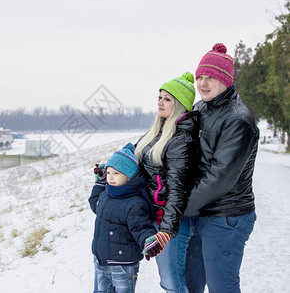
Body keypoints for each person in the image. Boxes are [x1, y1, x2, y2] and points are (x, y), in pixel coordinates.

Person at [183, 43, 259, 292]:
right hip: (198, 212)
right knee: (189, 284)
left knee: (222, 287)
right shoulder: (200, 108)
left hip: (226, 216)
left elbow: (219, 177)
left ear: (225, 80)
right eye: (200, 77)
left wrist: (180, 208)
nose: (203, 84)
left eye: (211, 77)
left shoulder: (238, 120)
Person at [134, 72, 200, 292]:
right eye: (160, 97)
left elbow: (178, 190)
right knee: (169, 280)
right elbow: (135, 154)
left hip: (171, 223)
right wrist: (112, 168)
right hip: (156, 217)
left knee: (172, 281)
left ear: (180, 105)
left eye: (167, 99)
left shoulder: (181, 140)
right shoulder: (158, 131)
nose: (160, 102)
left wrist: (165, 232)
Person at [89, 143, 167, 293]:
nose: (111, 177)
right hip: (101, 260)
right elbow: (95, 205)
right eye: (109, 172)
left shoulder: (135, 203)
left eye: (116, 173)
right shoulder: (106, 194)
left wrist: (147, 241)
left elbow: (141, 228)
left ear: (129, 176)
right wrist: (99, 183)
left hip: (122, 264)